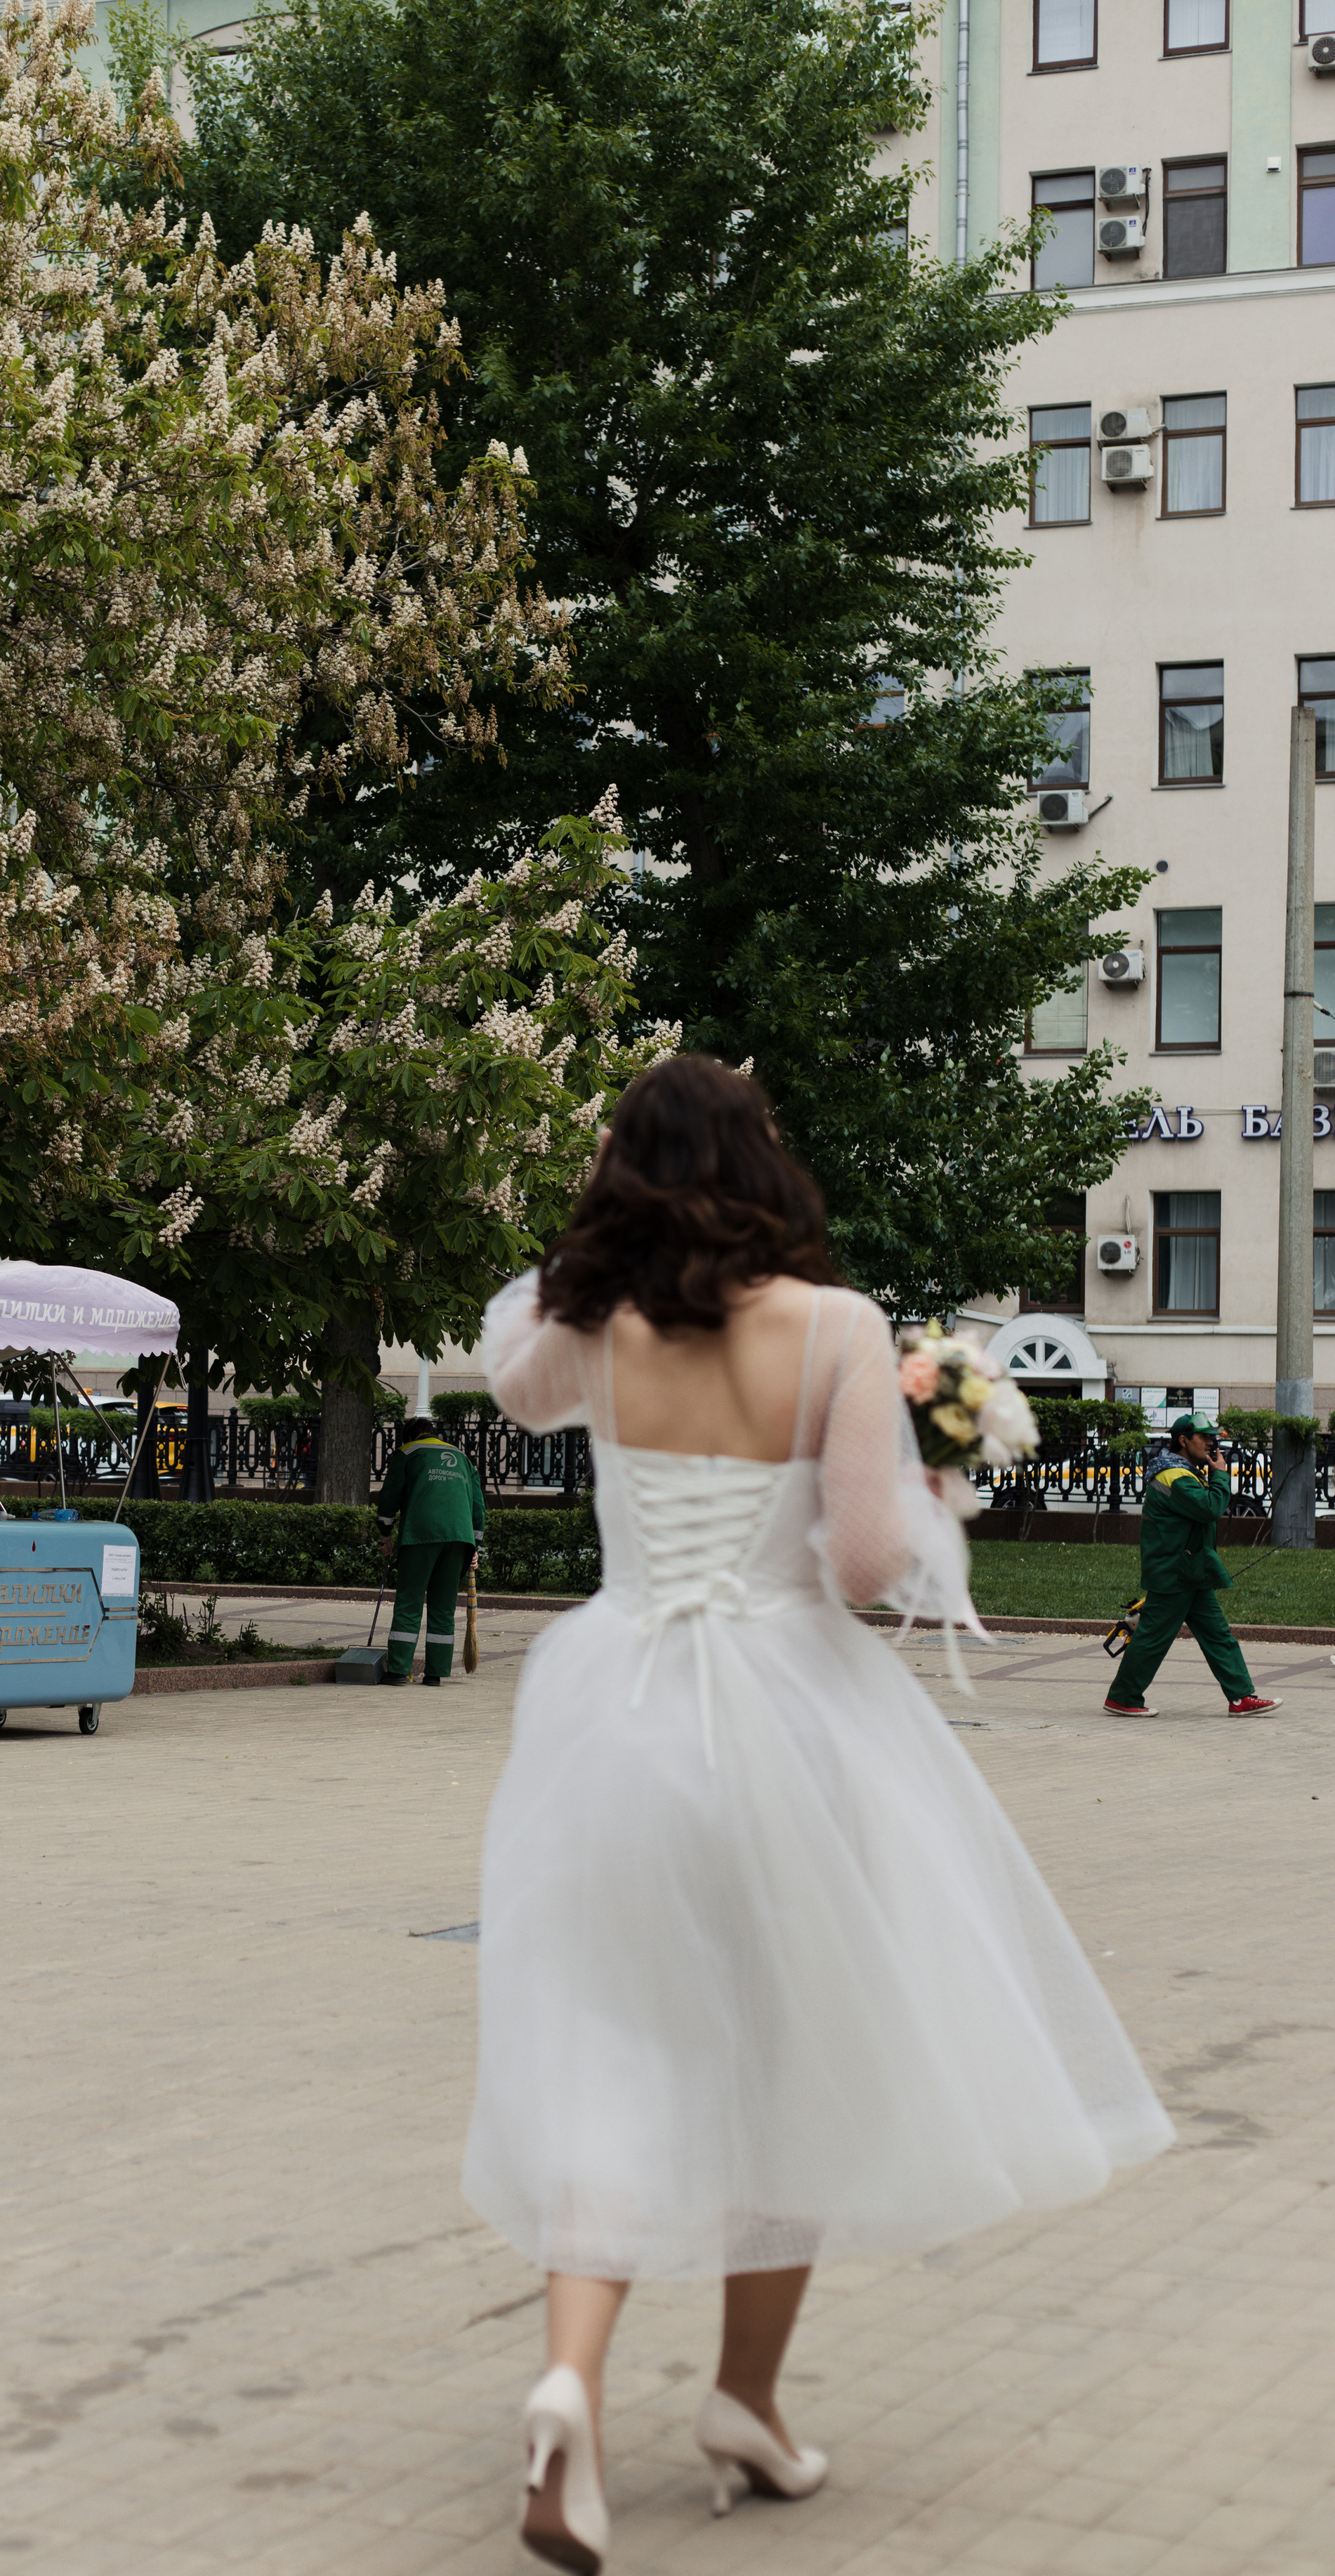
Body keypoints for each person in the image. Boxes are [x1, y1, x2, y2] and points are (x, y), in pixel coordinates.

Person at [463, 1058, 1173, 2572]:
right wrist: (941, 1499)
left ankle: (567, 2385)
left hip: (613, 1709)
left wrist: (588, 1246)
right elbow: (859, 1564)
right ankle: (742, 2399)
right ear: (759, 1163)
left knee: (607, 2044)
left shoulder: (582, 1328)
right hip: (789, 1717)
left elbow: (513, 1375)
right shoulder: (839, 1329)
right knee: (784, 2055)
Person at [1103, 1414, 1280, 1720]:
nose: (1211, 1442)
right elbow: (1210, 1508)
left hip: (1189, 1570)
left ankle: (1241, 1698)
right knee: (1153, 1639)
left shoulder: (1183, 1471)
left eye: (1213, 1437)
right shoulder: (1175, 1476)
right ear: (1183, 1441)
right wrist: (1221, 1475)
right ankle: (1123, 1697)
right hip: (1175, 1573)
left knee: (1218, 1636)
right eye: (1204, 1437)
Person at [373, 1412, 485, 1685]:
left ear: (410, 1436)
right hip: (459, 1540)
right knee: (443, 1606)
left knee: (410, 1602)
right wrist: (474, 1547)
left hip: (421, 1536)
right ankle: (435, 1674)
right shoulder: (462, 1458)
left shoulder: (408, 1452)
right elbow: (478, 1507)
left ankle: (399, 1670)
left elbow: (389, 1496)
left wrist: (385, 1534)